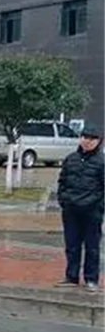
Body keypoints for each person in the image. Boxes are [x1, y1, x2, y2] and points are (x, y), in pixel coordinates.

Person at [55, 124, 104, 292]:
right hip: (71, 210)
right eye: (85, 137)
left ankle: (91, 279)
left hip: (92, 211)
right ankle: (71, 276)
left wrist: (99, 207)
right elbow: (62, 182)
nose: (88, 141)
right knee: (72, 245)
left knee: (92, 247)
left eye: (92, 138)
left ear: (99, 141)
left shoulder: (101, 162)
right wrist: (63, 200)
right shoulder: (71, 159)